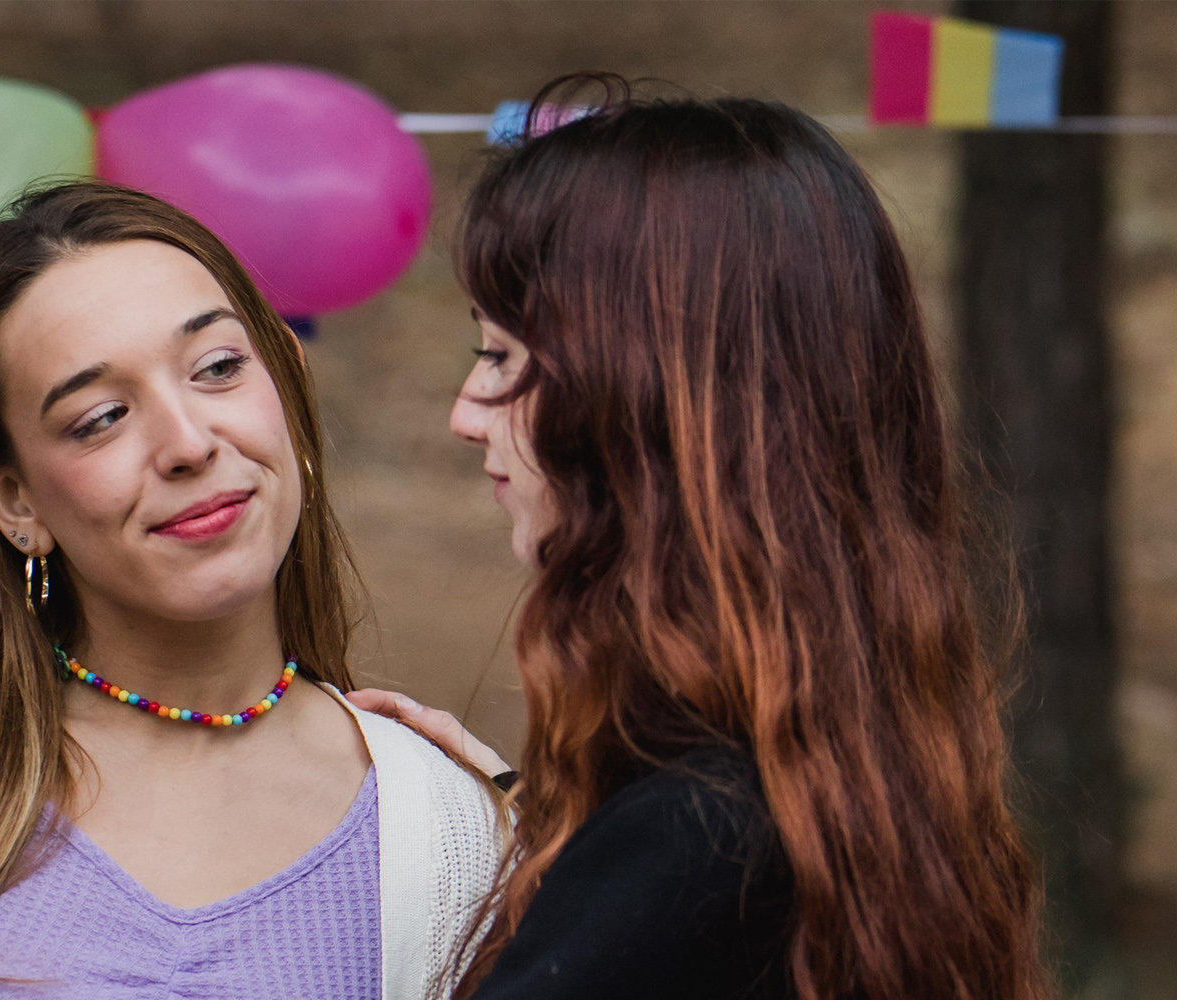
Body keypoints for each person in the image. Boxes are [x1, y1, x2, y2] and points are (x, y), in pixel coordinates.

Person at [351, 76, 1048, 1000]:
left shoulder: (695, 839)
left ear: (648, 396)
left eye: (502, 356)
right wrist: (547, 834)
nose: (465, 414)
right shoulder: (825, 780)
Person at [0, 181, 507, 1000]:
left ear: (287, 389)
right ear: (13, 500)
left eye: (218, 368)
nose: (188, 443)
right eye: (101, 417)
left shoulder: (458, 835)